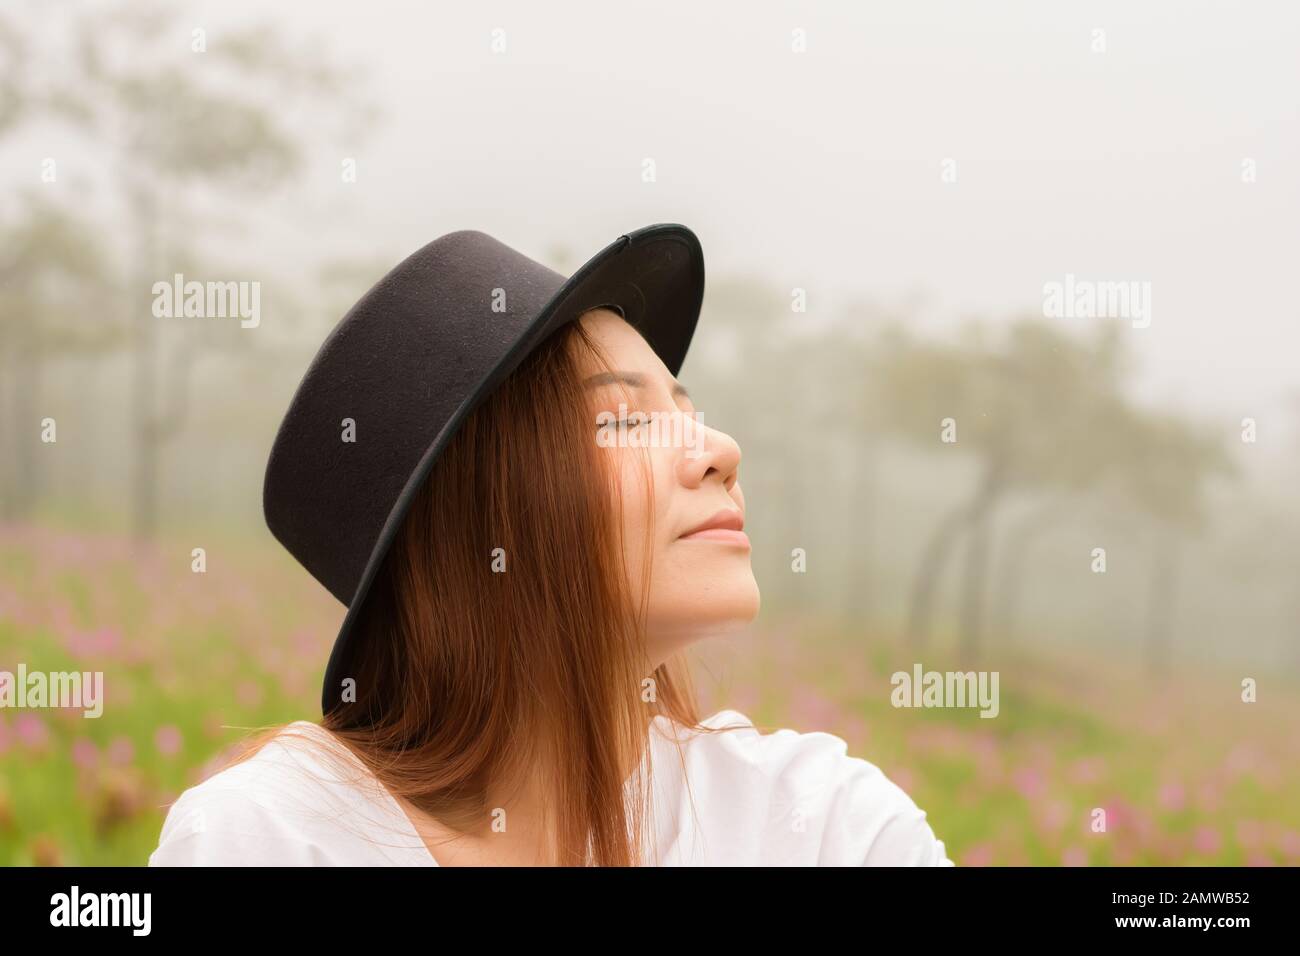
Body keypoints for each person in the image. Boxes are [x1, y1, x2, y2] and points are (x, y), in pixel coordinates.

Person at [148, 225, 952, 866]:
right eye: (625, 419)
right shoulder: (273, 841)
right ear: (475, 523)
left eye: (688, 407)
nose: (721, 450)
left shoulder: (826, 828)